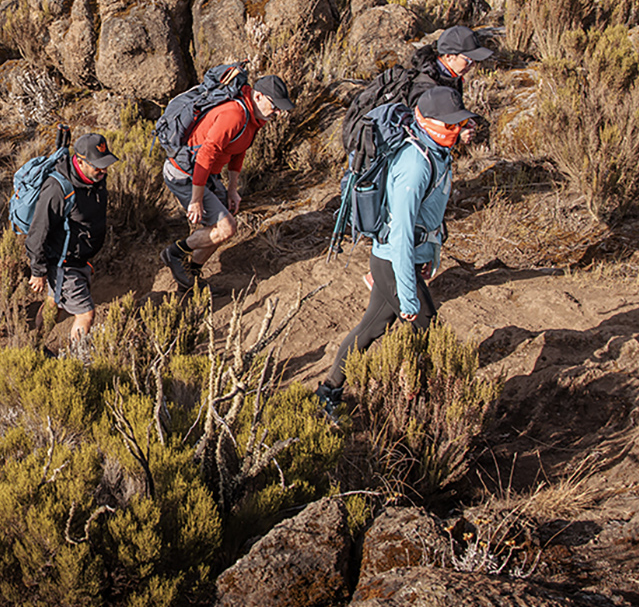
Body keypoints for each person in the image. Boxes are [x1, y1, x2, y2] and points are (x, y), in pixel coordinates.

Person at [316, 87, 474, 417]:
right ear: (426, 122)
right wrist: (408, 294)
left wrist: (431, 254)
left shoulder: (437, 153)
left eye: (459, 124)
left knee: (372, 327)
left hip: (405, 259)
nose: (456, 130)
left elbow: (430, 215)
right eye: (450, 125)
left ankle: (329, 390)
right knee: (428, 330)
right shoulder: (415, 165)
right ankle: (430, 404)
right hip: (393, 260)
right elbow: (401, 234)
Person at [160, 75, 295, 291]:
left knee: (222, 225)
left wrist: (233, 190)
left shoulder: (255, 118)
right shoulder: (234, 114)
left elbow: (239, 152)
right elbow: (206, 154)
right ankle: (175, 253)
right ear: (258, 96)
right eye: (275, 106)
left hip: (207, 175)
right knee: (226, 228)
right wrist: (196, 200)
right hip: (185, 174)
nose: (278, 113)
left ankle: (191, 277)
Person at [26, 132, 118, 354]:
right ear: (80, 161)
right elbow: (38, 232)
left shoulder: (96, 179)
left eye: (105, 165)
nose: (104, 171)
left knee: (53, 303)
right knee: (86, 314)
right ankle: (77, 362)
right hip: (64, 264)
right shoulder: (57, 189)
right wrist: (38, 270)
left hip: (79, 260)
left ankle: (34, 349)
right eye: (98, 166)